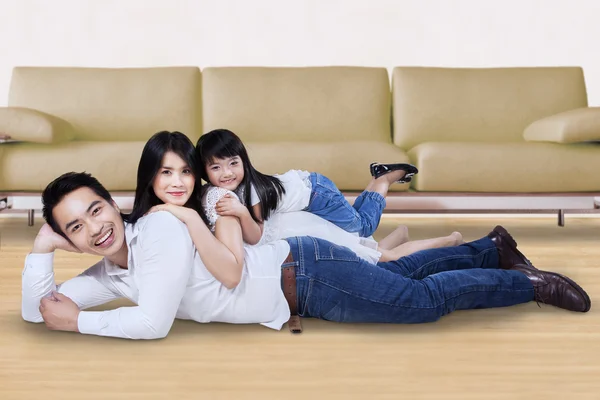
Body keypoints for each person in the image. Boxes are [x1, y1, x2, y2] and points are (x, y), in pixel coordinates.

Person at [22, 171, 590, 340]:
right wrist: (39, 252)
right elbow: (37, 310)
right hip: (302, 279)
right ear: (68, 240)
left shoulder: (159, 234)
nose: (93, 229)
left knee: (418, 303)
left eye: (96, 210)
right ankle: (491, 248)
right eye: (74, 227)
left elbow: (153, 323)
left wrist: (80, 325)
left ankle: (532, 285)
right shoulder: (112, 274)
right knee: (400, 273)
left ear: (112, 206)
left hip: (306, 274)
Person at [136, 130, 461, 264]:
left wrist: (240, 212)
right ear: (205, 173)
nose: (227, 174)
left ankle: (383, 180)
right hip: (305, 191)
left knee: (361, 228)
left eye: (234, 163)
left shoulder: (248, 191)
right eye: (217, 168)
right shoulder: (226, 190)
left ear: (244, 162)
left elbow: (256, 233)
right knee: (359, 235)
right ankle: (397, 230)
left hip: (314, 192)